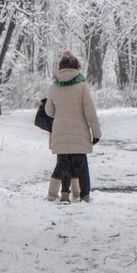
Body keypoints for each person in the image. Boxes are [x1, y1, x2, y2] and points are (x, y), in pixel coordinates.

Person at [45, 50, 101, 203]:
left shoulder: (53, 87)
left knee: (63, 162)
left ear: (60, 68)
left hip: (60, 131)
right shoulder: (82, 86)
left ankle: (64, 194)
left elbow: (49, 111)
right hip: (79, 132)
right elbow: (90, 111)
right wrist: (96, 133)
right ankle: (84, 195)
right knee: (81, 164)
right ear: (77, 68)